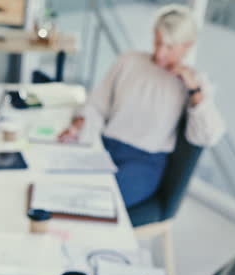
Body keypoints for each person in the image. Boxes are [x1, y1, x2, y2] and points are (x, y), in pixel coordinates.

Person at [59, 4, 226, 208]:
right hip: (105, 147)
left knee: (97, 201)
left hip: (144, 162)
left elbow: (207, 136)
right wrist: (77, 126)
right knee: (64, 185)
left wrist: (193, 90)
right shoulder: (129, 61)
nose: (159, 53)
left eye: (169, 47)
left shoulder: (194, 82)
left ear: (187, 46)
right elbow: (96, 104)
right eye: (157, 42)